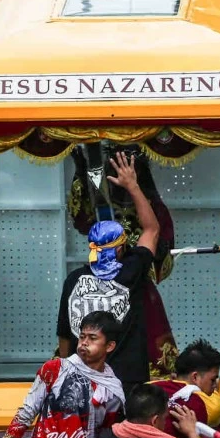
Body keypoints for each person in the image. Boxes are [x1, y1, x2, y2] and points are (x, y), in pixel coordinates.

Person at [57, 152, 161, 394]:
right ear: (123, 247)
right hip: (126, 383)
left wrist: (64, 374)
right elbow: (152, 229)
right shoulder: (131, 271)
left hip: (82, 384)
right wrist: (132, 186)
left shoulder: (73, 280)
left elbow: (64, 335)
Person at [0, 311, 125, 438]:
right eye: (82, 336)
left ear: (109, 346)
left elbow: (105, 437)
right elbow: (26, 413)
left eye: (92, 338)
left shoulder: (112, 389)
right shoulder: (54, 369)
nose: (84, 343)